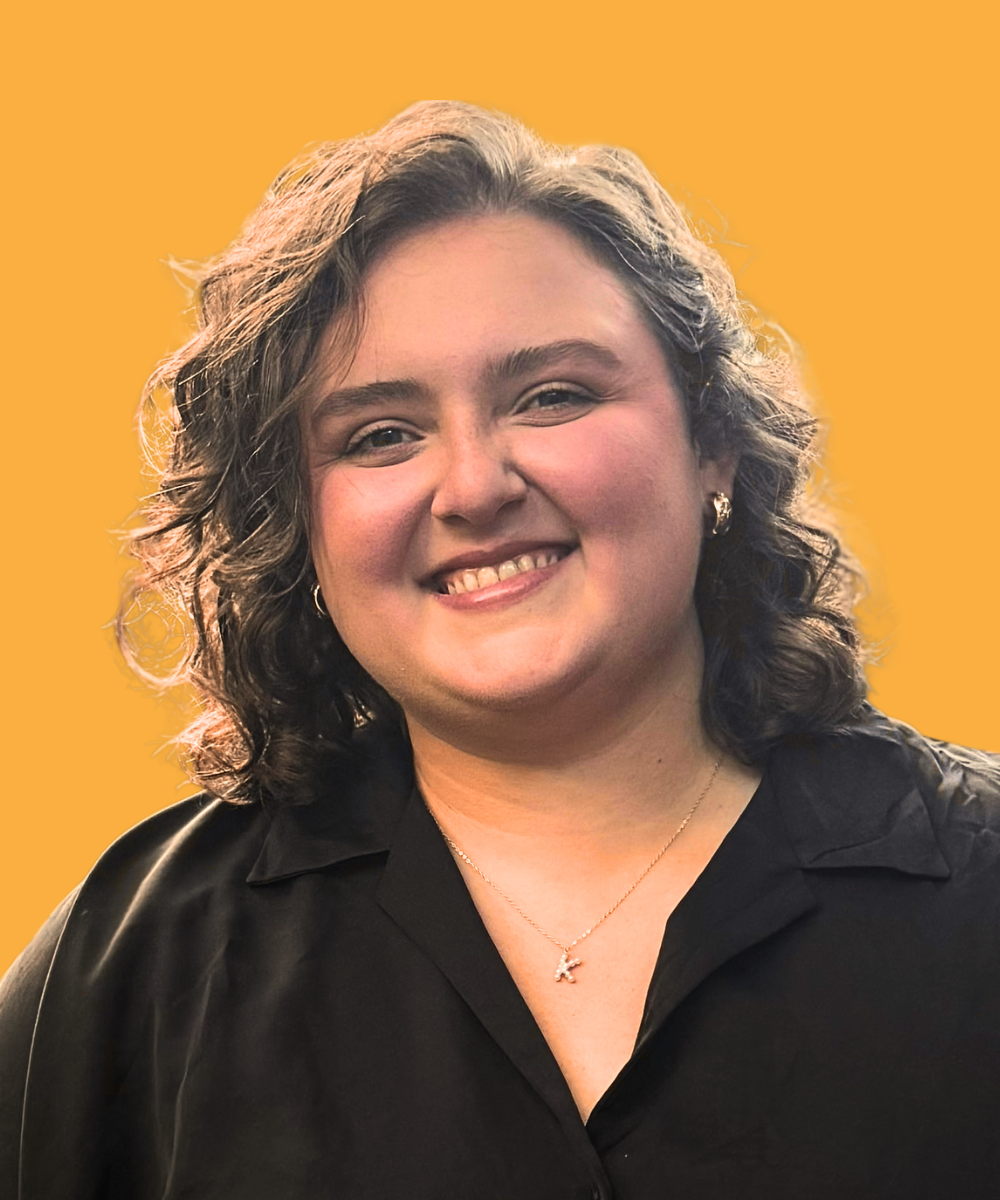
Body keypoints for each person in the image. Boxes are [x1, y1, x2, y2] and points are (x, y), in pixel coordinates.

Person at [1, 101, 997, 1199]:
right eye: (380, 435)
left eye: (552, 396)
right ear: (297, 525)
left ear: (712, 442)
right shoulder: (132, 969)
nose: (474, 486)